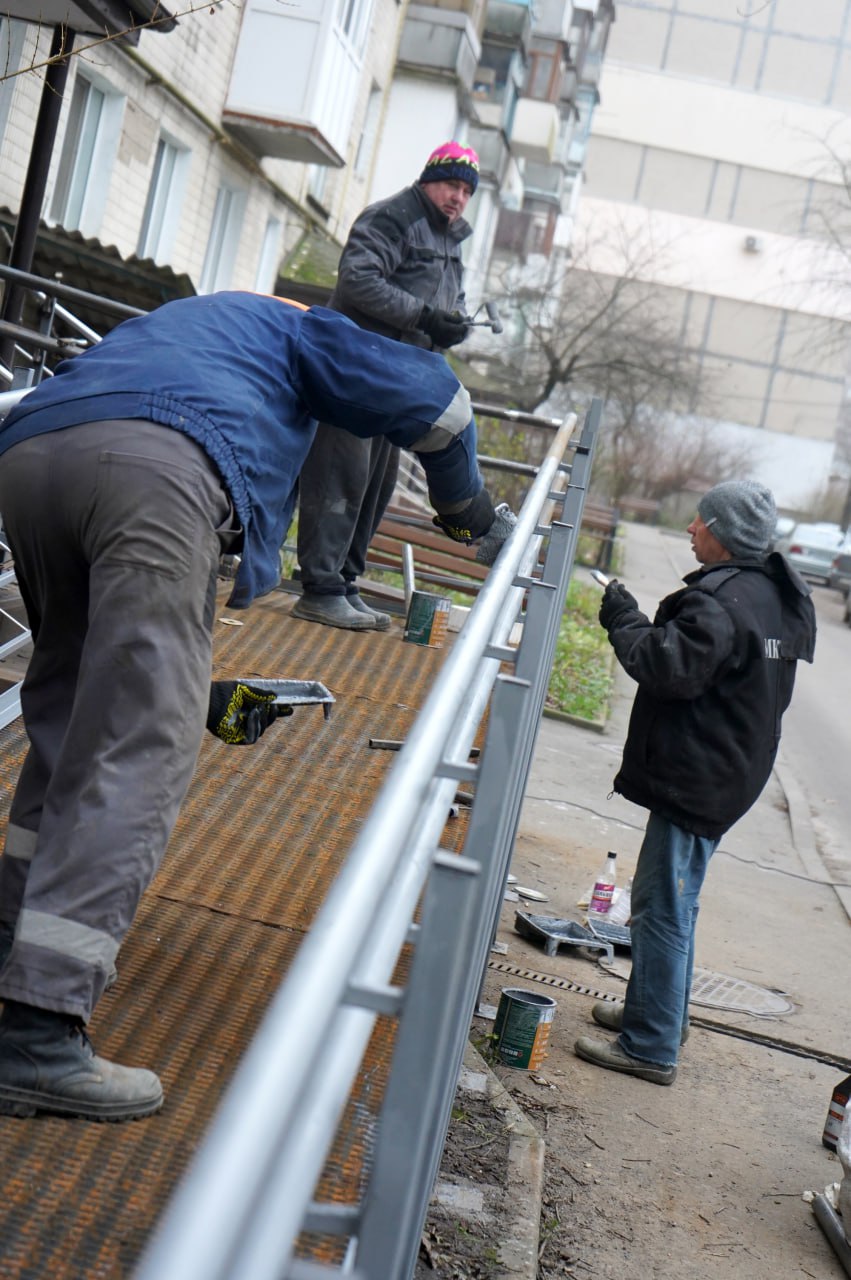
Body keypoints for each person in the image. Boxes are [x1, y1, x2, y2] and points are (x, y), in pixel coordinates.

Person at [0, 290, 515, 1122]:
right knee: (140, 750)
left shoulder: (178, 323)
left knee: (66, 717)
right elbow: (440, 408)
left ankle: (11, 936)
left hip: (32, 456)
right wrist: (467, 512)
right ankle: (39, 1030)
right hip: (156, 473)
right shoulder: (299, 330)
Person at [574, 480, 816, 1086]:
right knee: (673, 902)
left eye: (700, 521)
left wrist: (623, 617)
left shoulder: (723, 602)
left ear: (724, 533)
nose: (690, 528)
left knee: (661, 909)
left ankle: (651, 1046)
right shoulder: (772, 593)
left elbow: (664, 667)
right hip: (730, 770)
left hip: (702, 777)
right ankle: (654, 1015)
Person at [294, 140, 480, 631]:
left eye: (466, 190)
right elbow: (358, 280)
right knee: (342, 473)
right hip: (354, 368)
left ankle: (345, 583)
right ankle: (319, 588)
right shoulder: (393, 216)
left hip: (396, 380)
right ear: (428, 178)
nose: (458, 197)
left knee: (377, 484)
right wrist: (425, 316)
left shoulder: (450, 239)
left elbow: (441, 302)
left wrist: (451, 324)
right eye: (451, 184)